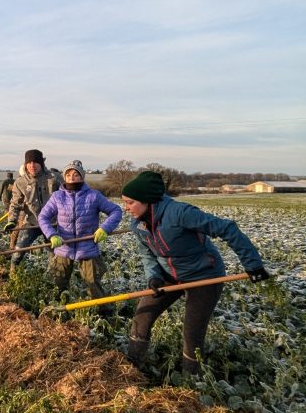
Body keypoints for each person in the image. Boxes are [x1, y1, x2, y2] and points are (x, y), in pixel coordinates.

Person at [121, 170, 270, 375]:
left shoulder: (181, 213)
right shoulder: (138, 223)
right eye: (124, 202)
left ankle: (191, 380)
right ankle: (131, 370)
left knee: (192, 333)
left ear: (147, 200)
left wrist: (253, 265)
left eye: (130, 202)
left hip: (204, 276)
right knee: (142, 317)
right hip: (169, 276)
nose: (126, 208)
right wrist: (154, 276)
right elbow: (147, 253)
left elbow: (227, 229)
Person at [39, 160, 122, 307]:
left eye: (75, 174)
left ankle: (103, 312)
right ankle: (56, 310)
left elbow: (116, 211)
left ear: (82, 177)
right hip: (64, 246)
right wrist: (51, 234)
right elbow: (43, 217)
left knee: (93, 283)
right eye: (68, 174)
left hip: (88, 246)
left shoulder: (93, 196)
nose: (71, 177)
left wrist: (105, 228)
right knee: (58, 282)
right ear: (64, 177)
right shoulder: (58, 196)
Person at [4, 149, 61, 267]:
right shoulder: (20, 182)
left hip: (52, 223)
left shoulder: (54, 178)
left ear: (41, 163)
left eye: (35, 162)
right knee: (18, 252)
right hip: (31, 222)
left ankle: (54, 275)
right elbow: (15, 204)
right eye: (29, 163)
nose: (32, 165)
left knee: (55, 254)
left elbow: (67, 197)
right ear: (25, 164)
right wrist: (11, 220)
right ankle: (13, 273)